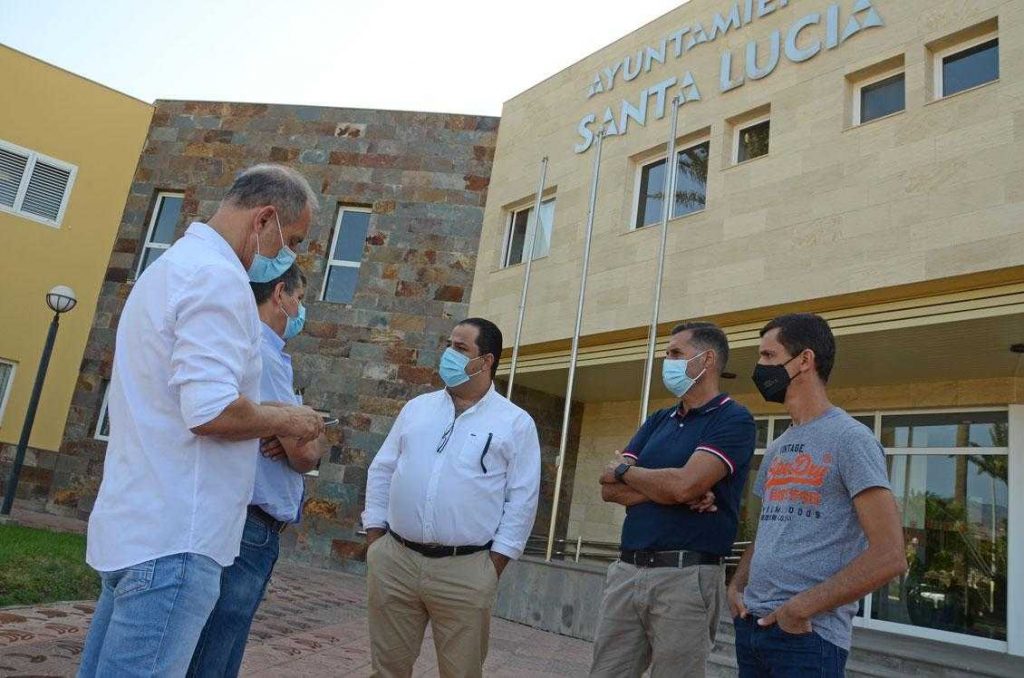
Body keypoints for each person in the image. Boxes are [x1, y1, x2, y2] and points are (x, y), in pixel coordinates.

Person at [78, 165, 325, 678]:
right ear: (265, 219)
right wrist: (288, 418)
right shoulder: (218, 278)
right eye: (294, 241)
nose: (290, 257)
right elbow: (211, 409)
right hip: (177, 538)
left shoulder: (171, 267)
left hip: (140, 527)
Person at [729, 313, 907, 677]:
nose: (759, 368)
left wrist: (801, 608)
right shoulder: (778, 447)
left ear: (804, 360)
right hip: (753, 627)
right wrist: (736, 585)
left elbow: (890, 555)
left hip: (808, 637)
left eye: (768, 355)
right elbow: (769, 529)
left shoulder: (851, 439)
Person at [362, 317, 541, 678]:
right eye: (448, 345)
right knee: (386, 670)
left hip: (465, 570)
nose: (448, 354)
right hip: (396, 560)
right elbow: (382, 469)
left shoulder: (515, 422)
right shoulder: (417, 408)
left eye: (460, 348)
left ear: (485, 361)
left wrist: (492, 567)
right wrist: (376, 540)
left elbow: (522, 499)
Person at [590, 321, 756, 678]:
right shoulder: (658, 419)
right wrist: (674, 488)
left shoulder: (733, 418)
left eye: (676, 353)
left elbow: (682, 486)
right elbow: (608, 488)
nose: (667, 361)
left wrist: (628, 471)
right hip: (627, 571)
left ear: (707, 360)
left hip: (686, 578)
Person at [188, 262, 327, 677]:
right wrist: (296, 429)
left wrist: (289, 429)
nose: (301, 310)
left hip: (252, 524)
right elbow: (305, 453)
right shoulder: (262, 353)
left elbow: (299, 441)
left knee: (222, 641)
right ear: (280, 294)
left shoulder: (264, 352)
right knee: (214, 648)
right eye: (300, 299)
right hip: (250, 524)